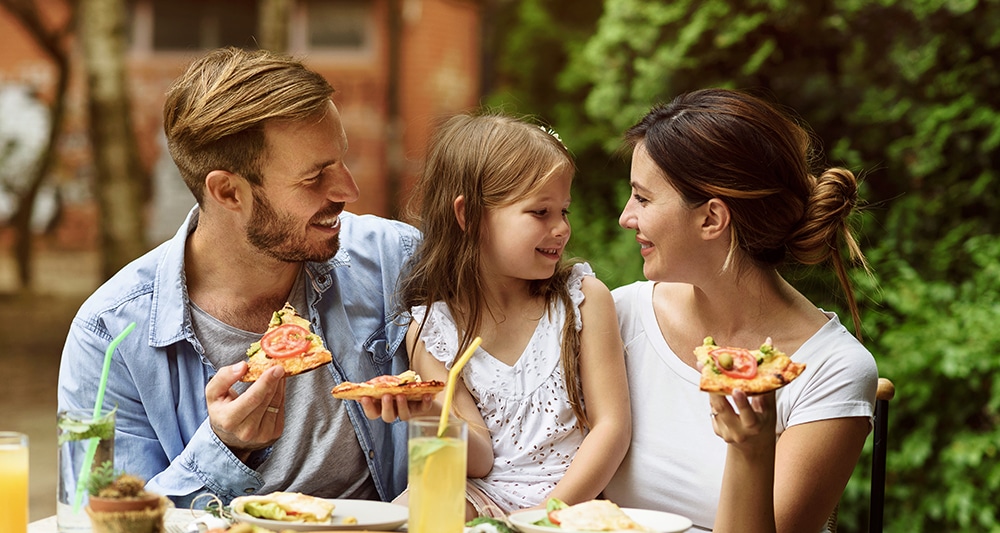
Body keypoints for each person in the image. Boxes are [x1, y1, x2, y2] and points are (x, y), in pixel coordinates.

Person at [56, 47, 429, 508]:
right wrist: (224, 448)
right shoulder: (110, 333)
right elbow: (98, 519)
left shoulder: (398, 259)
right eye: (315, 178)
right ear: (228, 191)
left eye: (342, 162)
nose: (349, 191)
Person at [602, 88, 879, 533]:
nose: (626, 217)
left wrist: (751, 451)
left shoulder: (834, 370)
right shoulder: (618, 317)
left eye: (643, 199)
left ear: (711, 218)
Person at [395, 113, 632, 518]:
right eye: (541, 212)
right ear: (468, 216)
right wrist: (434, 412)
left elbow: (612, 427)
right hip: (479, 497)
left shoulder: (581, 300)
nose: (561, 229)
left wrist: (545, 513)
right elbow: (480, 459)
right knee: (411, 510)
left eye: (564, 211)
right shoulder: (432, 330)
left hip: (569, 502)